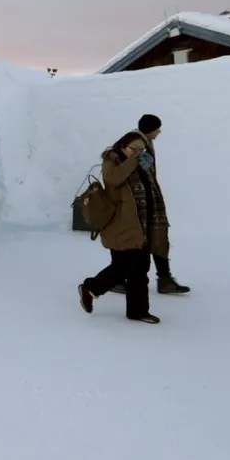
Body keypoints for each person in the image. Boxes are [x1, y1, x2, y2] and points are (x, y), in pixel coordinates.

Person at [78, 132, 161, 324]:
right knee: (122, 267)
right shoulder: (111, 161)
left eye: (142, 149)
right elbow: (114, 179)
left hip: (142, 224)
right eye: (134, 149)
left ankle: (138, 311)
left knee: (140, 269)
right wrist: (134, 161)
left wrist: (146, 161)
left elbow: (151, 183)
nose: (138, 153)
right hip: (120, 225)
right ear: (123, 146)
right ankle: (90, 287)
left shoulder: (142, 161)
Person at [109, 114, 190, 295]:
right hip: (138, 202)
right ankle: (162, 279)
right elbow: (129, 172)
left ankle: (158, 278)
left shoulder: (140, 140)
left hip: (145, 199)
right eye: (157, 129)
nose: (159, 132)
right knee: (143, 239)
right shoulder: (137, 143)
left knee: (146, 238)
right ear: (150, 129)